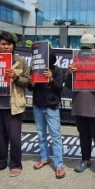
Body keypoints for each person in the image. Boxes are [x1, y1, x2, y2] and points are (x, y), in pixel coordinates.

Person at [65, 34, 95, 179]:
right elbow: (69, 86)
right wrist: (69, 74)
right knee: (83, 135)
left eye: (89, 48)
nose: (86, 51)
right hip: (79, 106)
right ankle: (85, 160)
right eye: (83, 48)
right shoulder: (76, 61)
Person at [0, 32, 31, 177]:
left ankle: (16, 164)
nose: (6, 47)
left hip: (14, 107)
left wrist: (16, 77)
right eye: (3, 44)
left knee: (15, 138)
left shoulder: (20, 61)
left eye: (9, 44)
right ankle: (1, 162)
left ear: (13, 46)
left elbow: (28, 81)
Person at [30, 47, 66, 179]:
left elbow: (60, 88)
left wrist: (51, 79)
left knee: (55, 136)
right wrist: (31, 83)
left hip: (52, 106)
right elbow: (30, 87)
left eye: (48, 56)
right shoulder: (34, 68)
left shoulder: (57, 70)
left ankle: (59, 165)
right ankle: (44, 158)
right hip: (37, 106)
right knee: (41, 135)